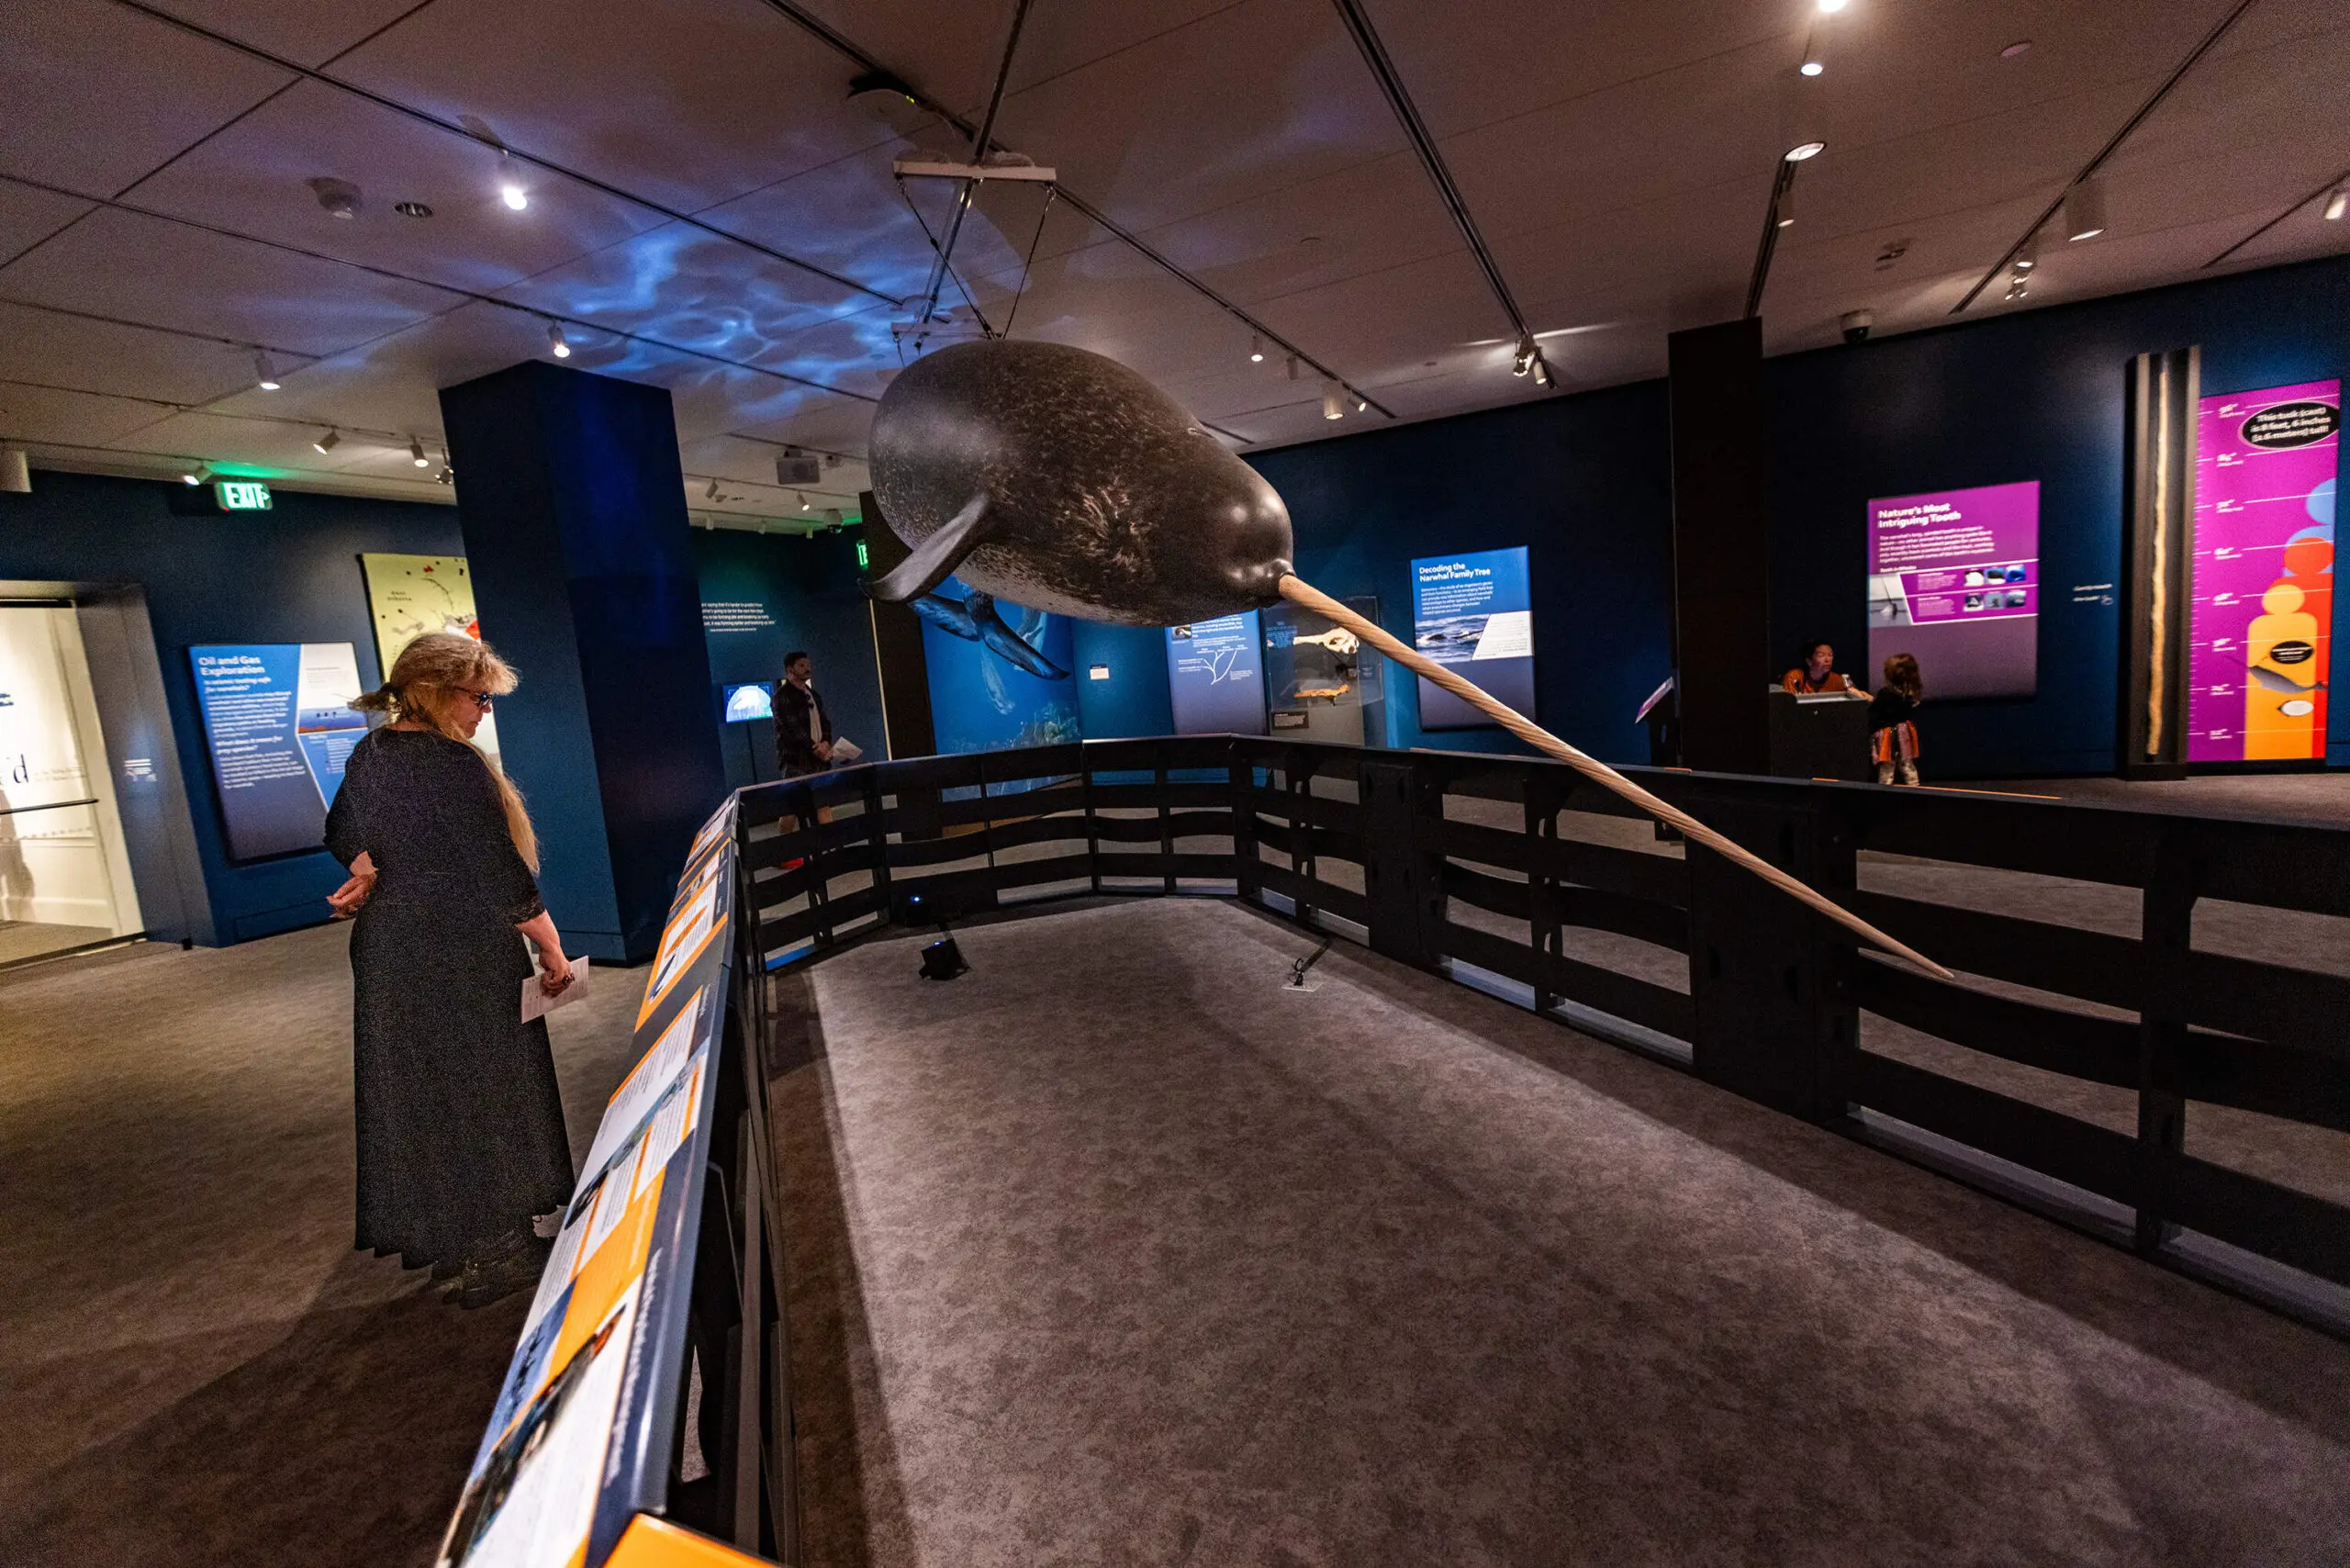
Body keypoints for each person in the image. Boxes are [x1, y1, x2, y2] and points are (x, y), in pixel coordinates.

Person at [324, 633, 576, 1308]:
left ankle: (461, 1239)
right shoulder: (450, 765)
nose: (483, 711)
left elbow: (341, 830)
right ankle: (500, 1247)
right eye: (478, 697)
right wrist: (550, 946)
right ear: (435, 692)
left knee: (424, 1092)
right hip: (458, 949)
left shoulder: (369, 753)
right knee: (487, 1084)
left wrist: (370, 874)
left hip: (391, 950)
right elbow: (497, 869)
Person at [771, 650, 835, 778]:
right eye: (802, 666)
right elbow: (792, 729)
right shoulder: (782, 696)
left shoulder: (813, 694)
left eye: (808, 665)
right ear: (790, 670)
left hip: (819, 761)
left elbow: (825, 722)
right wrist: (815, 748)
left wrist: (826, 743)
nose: (807, 669)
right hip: (797, 763)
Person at [1870, 652, 1924, 786]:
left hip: (1889, 735)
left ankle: (1885, 790)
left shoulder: (1884, 694)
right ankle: (1914, 787)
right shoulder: (1911, 694)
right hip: (1904, 732)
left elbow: (1876, 714)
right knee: (1907, 763)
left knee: (1887, 765)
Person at [1782, 639, 1856, 695]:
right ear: (1809, 661)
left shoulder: (1838, 681)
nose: (1828, 660)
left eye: (1830, 655)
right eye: (1821, 655)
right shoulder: (1794, 677)